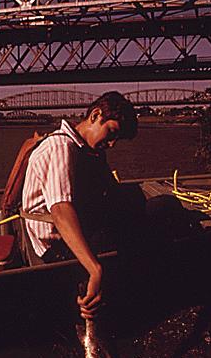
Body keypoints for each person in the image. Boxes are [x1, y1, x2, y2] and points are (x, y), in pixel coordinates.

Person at [21, 91, 138, 320]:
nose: (112, 144)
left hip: (75, 231)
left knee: (148, 207)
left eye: (117, 139)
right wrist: (95, 270)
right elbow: (61, 212)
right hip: (54, 247)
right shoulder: (59, 147)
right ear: (95, 115)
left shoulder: (87, 150)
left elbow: (112, 193)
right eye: (111, 132)